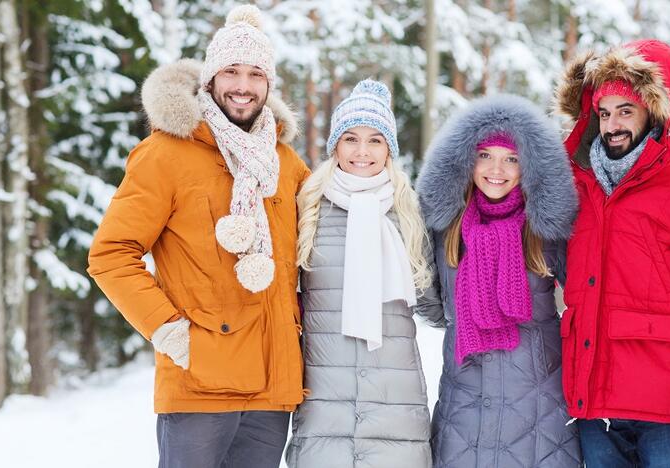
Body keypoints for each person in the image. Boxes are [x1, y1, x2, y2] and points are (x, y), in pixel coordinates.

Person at [87, 5, 309, 467]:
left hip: (273, 391)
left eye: (255, 74)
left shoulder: (286, 164)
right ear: (210, 78)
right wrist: (168, 330)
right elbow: (111, 255)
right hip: (200, 387)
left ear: (268, 85)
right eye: (231, 71)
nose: (243, 86)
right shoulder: (165, 153)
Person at [552, 39, 670, 467]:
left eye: (626, 111)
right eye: (604, 112)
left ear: (655, 111)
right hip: (594, 407)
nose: (612, 125)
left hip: (666, 414)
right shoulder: (578, 189)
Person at [415, 94, 583, 468]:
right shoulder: (445, 227)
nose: (497, 168)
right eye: (485, 155)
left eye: (512, 158)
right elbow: (430, 300)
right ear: (466, 160)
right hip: (465, 408)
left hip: (539, 412)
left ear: (530, 165)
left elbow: (587, 296)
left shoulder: (547, 229)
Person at [285, 79, 437, 468]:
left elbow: (435, 303)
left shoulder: (409, 212)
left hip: (395, 399)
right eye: (351, 138)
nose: (362, 152)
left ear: (389, 149)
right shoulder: (308, 207)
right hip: (323, 396)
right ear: (335, 144)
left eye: (376, 140)